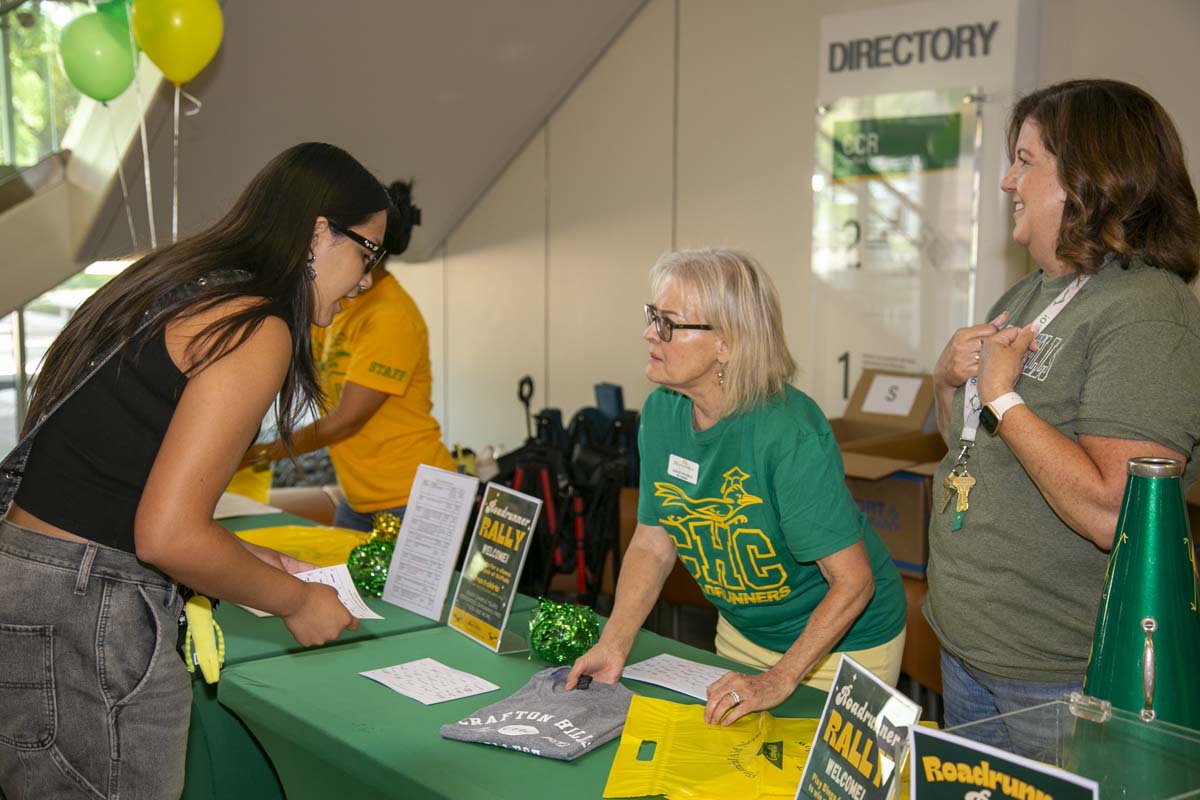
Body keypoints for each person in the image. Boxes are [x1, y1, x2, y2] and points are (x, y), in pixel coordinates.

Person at [0, 142, 389, 798]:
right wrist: (298, 601)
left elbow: (116, 480)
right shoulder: (253, 326)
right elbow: (168, 536)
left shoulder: (183, 283)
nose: (367, 278)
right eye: (368, 252)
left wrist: (246, 558)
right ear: (318, 232)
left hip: (33, 575)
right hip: (86, 604)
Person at [926, 79, 1200, 759]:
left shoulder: (1145, 310)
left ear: (1087, 178)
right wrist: (947, 381)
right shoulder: (1030, 291)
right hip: (967, 647)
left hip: (1055, 678)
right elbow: (969, 451)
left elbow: (1118, 514)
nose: (1006, 181)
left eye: (1025, 159)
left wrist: (1004, 398)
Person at [565, 248, 907, 725]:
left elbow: (853, 581)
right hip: (745, 633)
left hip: (842, 648)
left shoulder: (788, 430)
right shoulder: (662, 413)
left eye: (668, 323)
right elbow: (653, 543)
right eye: (651, 317)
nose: (649, 333)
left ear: (725, 342)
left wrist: (779, 678)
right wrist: (614, 644)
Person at [241, 181, 457, 532]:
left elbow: (347, 419)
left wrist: (261, 452)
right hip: (359, 496)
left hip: (413, 497)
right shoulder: (338, 301)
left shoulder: (390, 316)